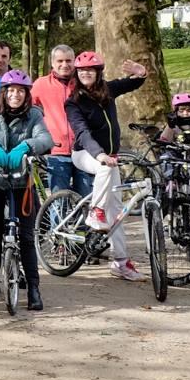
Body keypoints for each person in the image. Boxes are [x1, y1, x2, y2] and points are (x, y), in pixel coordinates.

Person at [0, 70, 52, 310]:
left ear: (26, 94)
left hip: (22, 180)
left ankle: (34, 289)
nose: (15, 95)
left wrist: (27, 145)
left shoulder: (34, 115)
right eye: (11, 91)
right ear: (3, 93)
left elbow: (46, 139)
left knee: (26, 235)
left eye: (20, 91)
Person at [64, 51, 150, 281]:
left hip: (110, 157)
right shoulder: (73, 103)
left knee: (117, 213)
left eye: (90, 71)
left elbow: (132, 83)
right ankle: (95, 211)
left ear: (98, 73)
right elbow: (82, 132)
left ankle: (120, 262)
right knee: (105, 171)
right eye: (81, 71)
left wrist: (141, 73)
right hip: (85, 153)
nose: (85, 74)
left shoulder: (107, 91)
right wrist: (100, 154)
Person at [31, 45, 86, 197]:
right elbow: (28, 110)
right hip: (57, 152)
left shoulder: (84, 82)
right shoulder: (41, 84)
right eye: (60, 61)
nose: (64, 65)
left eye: (68, 60)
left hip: (84, 150)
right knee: (58, 202)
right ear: (52, 63)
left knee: (86, 201)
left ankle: (82, 222)